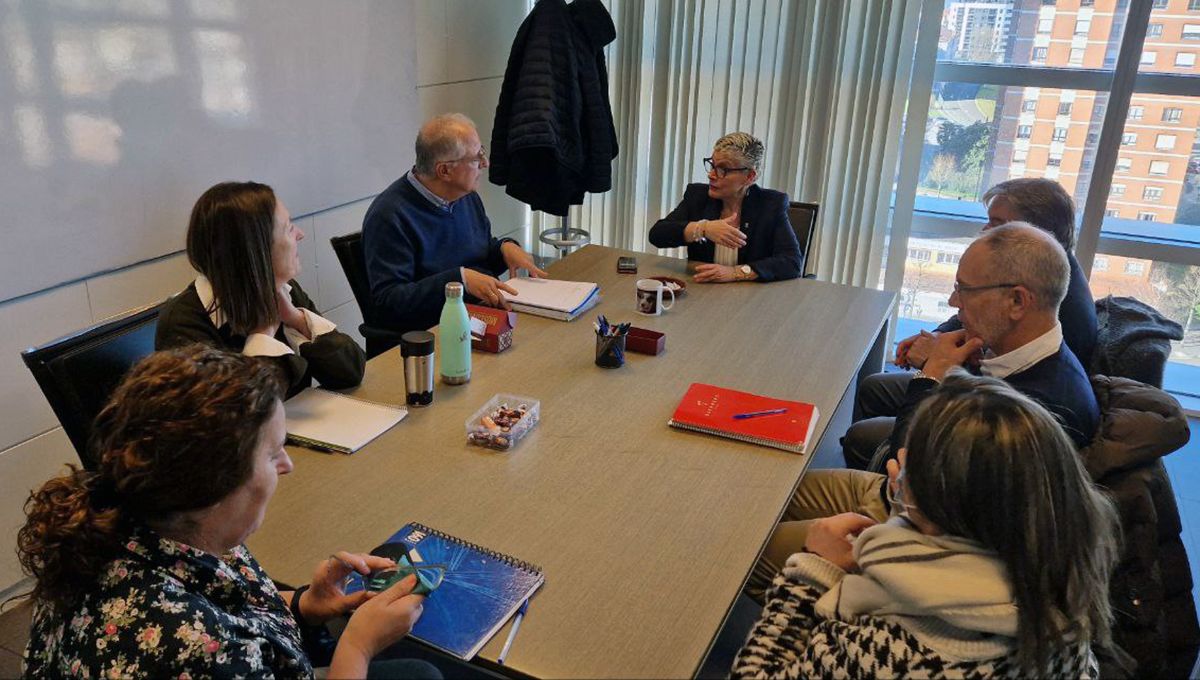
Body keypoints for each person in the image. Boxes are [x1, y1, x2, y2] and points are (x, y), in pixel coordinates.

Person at [18, 346, 438, 679]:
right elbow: (214, 637)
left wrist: (304, 605)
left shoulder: (134, 520)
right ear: (216, 487)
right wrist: (357, 648)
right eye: (273, 454)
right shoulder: (198, 650)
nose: (287, 465)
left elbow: (225, 598)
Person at [735, 371, 1119, 678]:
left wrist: (814, 571)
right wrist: (912, 505)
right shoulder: (1064, 600)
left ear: (940, 506)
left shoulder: (890, 651)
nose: (899, 456)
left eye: (913, 459)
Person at [851, 178, 1097, 467]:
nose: (953, 302)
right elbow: (970, 321)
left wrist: (933, 376)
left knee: (859, 439)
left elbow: (911, 467)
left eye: (998, 225)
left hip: (929, 480)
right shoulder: (1037, 300)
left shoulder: (1037, 410)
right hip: (966, 411)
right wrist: (941, 346)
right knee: (873, 388)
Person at [157, 181, 366, 398]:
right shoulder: (183, 322)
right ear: (255, 249)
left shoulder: (284, 291)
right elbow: (236, 419)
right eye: (288, 228)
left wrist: (297, 320)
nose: (300, 235)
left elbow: (351, 372)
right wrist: (263, 335)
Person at [363, 113, 546, 333]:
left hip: (479, 319)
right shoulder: (389, 215)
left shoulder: (464, 195)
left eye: (483, 153)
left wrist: (505, 248)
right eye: (476, 158)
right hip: (433, 333)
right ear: (445, 171)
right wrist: (459, 281)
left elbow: (480, 253)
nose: (485, 163)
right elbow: (389, 303)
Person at [648, 132, 802, 283]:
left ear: (749, 176)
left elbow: (792, 262)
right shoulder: (698, 196)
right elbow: (657, 235)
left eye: (723, 169)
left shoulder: (770, 204)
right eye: (712, 165)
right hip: (703, 291)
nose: (711, 175)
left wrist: (735, 273)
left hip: (751, 296)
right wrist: (703, 228)